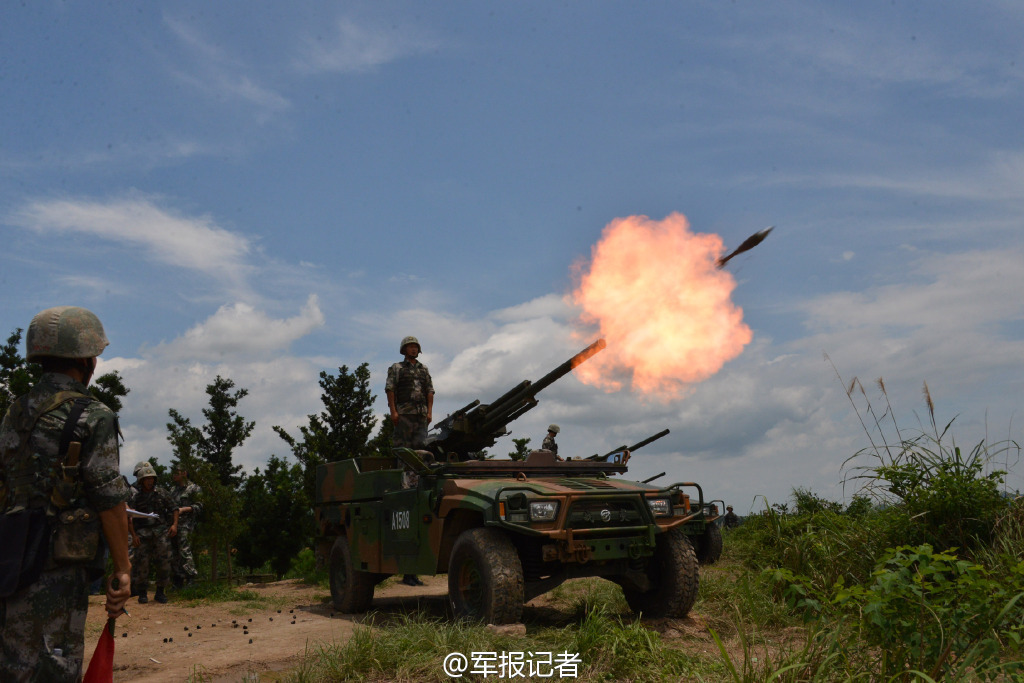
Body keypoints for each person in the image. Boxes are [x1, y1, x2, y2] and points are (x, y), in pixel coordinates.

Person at [0, 306, 132, 682]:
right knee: (54, 663)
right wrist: (123, 568)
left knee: (13, 662)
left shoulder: (15, 412)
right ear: (87, 359)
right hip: (57, 564)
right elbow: (108, 496)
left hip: (10, 556)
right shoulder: (93, 415)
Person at [385, 335, 433, 587]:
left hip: (420, 416)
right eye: (410, 347)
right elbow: (390, 389)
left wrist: (430, 412)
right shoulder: (396, 368)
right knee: (403, 451)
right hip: (403, 413)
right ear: (404, 349)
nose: (413, 349)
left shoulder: (423, 370)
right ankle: (403, 482)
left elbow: (429, 391)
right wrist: (393, 411)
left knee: (420, 451)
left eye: (416, 346)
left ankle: (416, 480)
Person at [129, 463, 178, 604]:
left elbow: (174, 508)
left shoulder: (162, 493)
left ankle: (160, 592)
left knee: (164, 562)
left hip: (161, 532)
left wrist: (174, 525)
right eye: (146, 478)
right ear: (141, 480)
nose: (149, 481)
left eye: (151, 478)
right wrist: (134, 535)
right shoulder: (136, 497)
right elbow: (129, 517)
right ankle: (142, 593)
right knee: (142, 564)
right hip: (142, 534)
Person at [170, 466, 203, 587]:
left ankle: (190, 577)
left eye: (176, 472)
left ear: (184, 473)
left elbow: (199, 506)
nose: (174, 475)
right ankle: (177, 579)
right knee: (174, 552)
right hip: (173, 524)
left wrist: (184, 509)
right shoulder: (173, 489)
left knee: (184, 550)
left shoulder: (194, 488)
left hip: (187, 524)